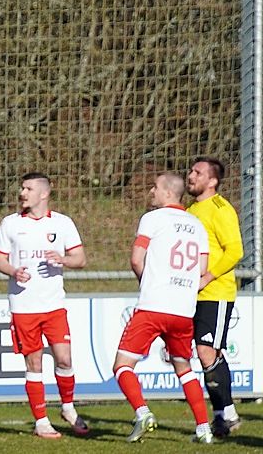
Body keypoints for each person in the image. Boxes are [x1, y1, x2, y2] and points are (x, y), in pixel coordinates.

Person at [114, 173, 212, 443]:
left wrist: (149, 283)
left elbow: (136, 259)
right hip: (183, 310)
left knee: (122, 366)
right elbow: (202, 270)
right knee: (184, 367)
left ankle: (143, 412)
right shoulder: (197, 225)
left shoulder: (152, 219)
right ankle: (204, 430)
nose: (151, 192)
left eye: (154, 187)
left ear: (168, 192)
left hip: (153, 305)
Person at [0, 172, 89, 439]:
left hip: (54, 305)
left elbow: (80, 258)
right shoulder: (10, 224)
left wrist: (63, 259)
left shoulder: (63, 223)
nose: (23, 193)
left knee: (64, 358)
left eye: (28, 188)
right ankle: (41, 421)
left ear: (44, 194)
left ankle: (68, 408)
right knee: (34, 364)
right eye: (22, 188)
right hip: (23, 306)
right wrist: (13, 271)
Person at [186, 156, 244, 437]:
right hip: (191, 294)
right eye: (191, 171)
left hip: (215, 292)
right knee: (207, 354)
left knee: (206, 351)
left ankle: (228, 412)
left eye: (197, 172)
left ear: (212, 181)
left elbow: (235, 251)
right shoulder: (190, 210)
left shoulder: (220, 208)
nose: (191, 175)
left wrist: (208, 276)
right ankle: (222, 416)